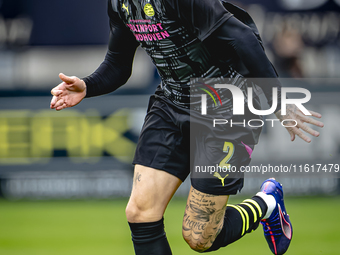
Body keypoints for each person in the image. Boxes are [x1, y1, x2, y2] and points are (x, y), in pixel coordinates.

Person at [50, 1, 324, 254]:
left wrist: (277, 101)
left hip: (227, 104)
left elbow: (241, 37)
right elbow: (118, 64)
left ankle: (268, 203)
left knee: (200, 237)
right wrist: (87, 85)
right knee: (140, 212)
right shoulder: (120, 4)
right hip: (172, 101)